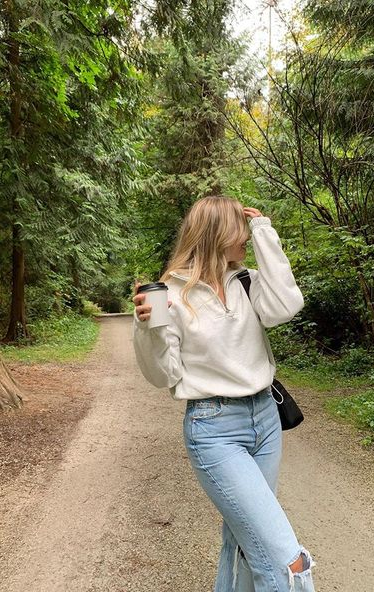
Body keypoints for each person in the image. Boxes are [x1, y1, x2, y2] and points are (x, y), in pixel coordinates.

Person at [132, 195, 316, 592]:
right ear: (216, 233)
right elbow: (164, 375)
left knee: (245, 543)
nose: (246, 237)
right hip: (214, 428)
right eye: (241, 229)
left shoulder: (246, 280)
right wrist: (148, 330)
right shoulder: (171, 293)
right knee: (288, 561)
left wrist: (265, 233)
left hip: (266, 418)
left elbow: (286, 305)